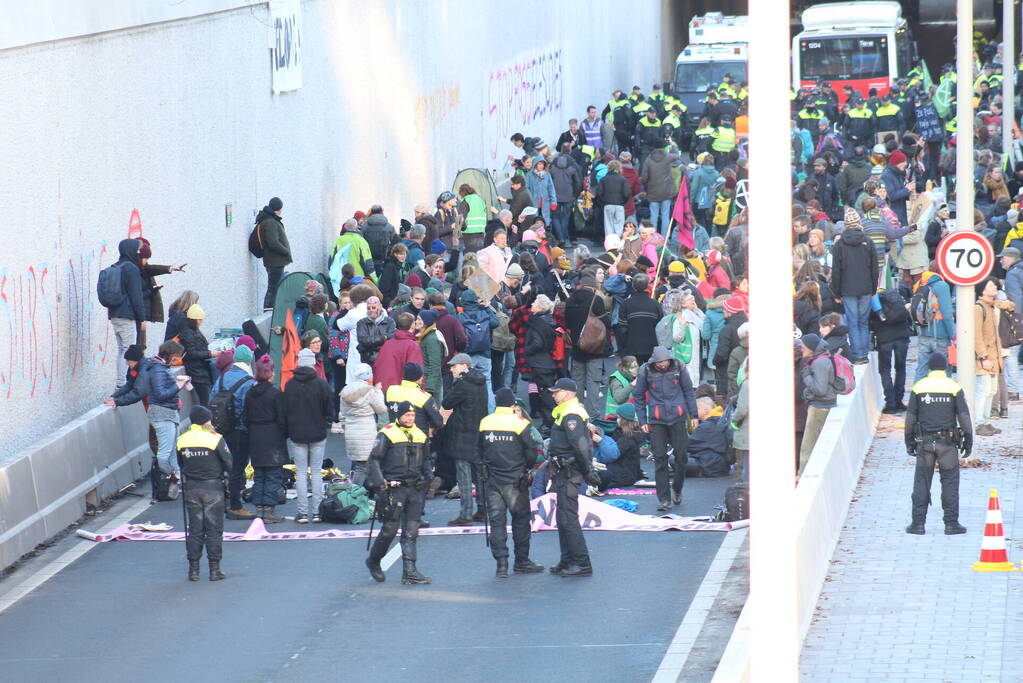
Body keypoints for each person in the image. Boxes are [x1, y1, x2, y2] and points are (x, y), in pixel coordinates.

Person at [365, 402, 433, 585]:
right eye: (407, 415)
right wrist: (380, 484)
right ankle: (373, 560)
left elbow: (426, 459)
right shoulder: (387, 433)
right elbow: (374, 460)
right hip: (393, 489)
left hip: (415, 489)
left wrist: (428, 479)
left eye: (412, 415)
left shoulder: (420, 434)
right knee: (389, 530)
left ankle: (410, 573)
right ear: (399, 416)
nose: (410, 419)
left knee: (411, 532)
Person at [479, 387, 544, 578]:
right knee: (521, 520)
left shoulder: (485, 422)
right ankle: (522, 561)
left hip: (492, 478)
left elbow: (479, 448)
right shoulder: (519, 423)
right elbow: (532, 451)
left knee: (497, 521)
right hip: (515, 479)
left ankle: (501, 564)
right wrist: (526, 467)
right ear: (512, 404)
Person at [904, 354, 971, 535]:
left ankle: (917, 524)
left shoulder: (919, 387)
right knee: (949, 482)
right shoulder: (954, 387)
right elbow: (964, 416)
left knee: (921, 482)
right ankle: (951, 524)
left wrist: (909, 441)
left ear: (930, 368)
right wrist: (969, 440)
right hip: (948, 444)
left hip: (925, 443)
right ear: (945, 368)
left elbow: (910, 418)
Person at [546, 378, 599, 577]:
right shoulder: (565, 412)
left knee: (568, 518)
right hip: (562, 469)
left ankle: (582, 563)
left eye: (556, 391)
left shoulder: (572, 415)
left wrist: (588, 471)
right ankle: (567, 559)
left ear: (568, 393)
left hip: (570, 471)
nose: (553, 395)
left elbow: (580, 445)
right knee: (562, 517)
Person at [633, 346, 698, 510]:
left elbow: (688, 391)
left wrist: (694, 415)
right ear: (654, 361)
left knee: (681, 457)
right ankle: (664, 499)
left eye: (665, 361)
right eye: (659, 362)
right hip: (657, 420)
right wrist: (642, 421)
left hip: (678, 417)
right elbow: (639, 396)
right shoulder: (645, 370)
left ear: (669, 359)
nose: (662, 365)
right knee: (660, 459)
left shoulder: (679, 366)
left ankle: (677, 488)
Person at [176, 405, 232, 582]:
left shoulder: (182, 439)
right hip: (213, 488)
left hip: (191, 488)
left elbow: (181, 464)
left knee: (195, 530)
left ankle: (193, 570)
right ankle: (214, 570)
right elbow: (229, 463)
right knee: (214, 529)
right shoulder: (215, 439)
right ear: (206, 421)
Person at [282, 348, 333, 523]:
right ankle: (317, 512)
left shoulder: (289, 385)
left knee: (301, 473)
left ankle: (303, 513)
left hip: (297, 434)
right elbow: (329, 410)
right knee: (317, 473)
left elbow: (285, 411)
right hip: (318, 433)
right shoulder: (321, 384)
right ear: (312, 363)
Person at [442, 353, 489, 525]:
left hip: (462, 434)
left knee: (463, 475)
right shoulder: (481, 382)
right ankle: (483, 510)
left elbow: (447, 402)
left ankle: (466, 514)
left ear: (463, 366)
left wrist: (455, 384)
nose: (451, 369)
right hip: (478, 433)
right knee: (480, 475)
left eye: (454, 366)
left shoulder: (463, 384)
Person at [210, 345, 256, 520]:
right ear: (249, 360)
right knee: (237, 469)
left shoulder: (222, 378)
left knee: (222, 467)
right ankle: (235, 506)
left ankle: (222, 501)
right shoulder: (248, 381)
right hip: (240, 431)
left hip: (221, 429)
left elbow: (211, 399)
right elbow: (248, 409)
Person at [830, 209, 880, 364]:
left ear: (846, 225)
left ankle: (857, 355)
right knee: (863, 322)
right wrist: (873, 289)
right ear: (859, 223)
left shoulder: (839, 244)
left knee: (852, 322)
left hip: (847, 289)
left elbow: (836, 272)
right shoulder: (868, 242)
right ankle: (864, 354)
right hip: (865, 288)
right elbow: (874, 268)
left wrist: (836, 293)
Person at [245, 355, 287, 523]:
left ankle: (259, 508)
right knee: (273, 474)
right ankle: (269, 510)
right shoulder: (275, 394)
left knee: (260, 474)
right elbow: (282, 419)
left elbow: (245, 417)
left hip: (255, 436)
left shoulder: (250, 393)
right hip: (273, 436)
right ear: (270, 373)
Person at [565, 270, 611, 416]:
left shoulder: (570, 300)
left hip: (576, 345)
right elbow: (605, 323)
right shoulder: (595, 300)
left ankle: (576, 412)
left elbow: (567, 322)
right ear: (593, 286)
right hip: (594, 347)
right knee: (593, 381)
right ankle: (592, 414)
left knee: (577, 380)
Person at [104, 239, 147, 388]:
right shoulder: (131, 269)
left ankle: (121, 382)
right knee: (127, 351)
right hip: (126, 315)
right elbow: (136, 296)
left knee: (122, 350)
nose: (138, 253)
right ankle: (122, 383)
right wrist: (142, 318)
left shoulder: (116, 267)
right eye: (137, 250)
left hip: (115, 314)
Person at [339, 363, 387, 485]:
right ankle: (355, 494)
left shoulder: (345, 391)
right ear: (369, 376)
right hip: (366, 432)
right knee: (364, 467)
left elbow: (342, 415)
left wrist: (346, 428)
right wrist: (379, 392)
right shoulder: (370, 391)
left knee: (359, 466)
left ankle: (363, 492)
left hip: (351, 432)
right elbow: (381, 409)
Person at [797, 333, 837, 475]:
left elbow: (820, 389)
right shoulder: (823, 359)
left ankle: (802, 474)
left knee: (807, 445)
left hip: (820, 406)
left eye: (803, 347)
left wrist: (806, 376)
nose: (801, 350)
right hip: (824, 404)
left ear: (811, 348)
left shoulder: (819, 363)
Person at [974, 277, 1007, 436]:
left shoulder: (993, 307)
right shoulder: (979, 308)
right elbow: (977, 335)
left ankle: (986, 421)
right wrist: (983, 356)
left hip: (995, 355)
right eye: (990, 285)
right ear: (983, 289)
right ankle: (978, 422)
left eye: (995, 285)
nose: (994, 288)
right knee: (983, 390)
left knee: (992, 390)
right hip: (985, 356)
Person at [871, 288, 912, 413]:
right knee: (901, 368)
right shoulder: (897, 299)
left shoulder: (876, 303)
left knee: (885, 370)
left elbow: (870, 323)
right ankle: (899, 401)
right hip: (902, 337)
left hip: (885, 340)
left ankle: (890, 403)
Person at [456, 290, 499, 410]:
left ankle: (472, 412)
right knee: (487, 383)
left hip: (468, 356)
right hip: (485, 354)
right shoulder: (484, 313)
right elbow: (496, 323)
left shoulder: (460, 317)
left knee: (467, 384)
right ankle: (490, 412)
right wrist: (487, 307)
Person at [912, 268, 956, 382]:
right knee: (944, 370)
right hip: (940, 335)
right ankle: (945, 396)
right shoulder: (941, 286)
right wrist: (953, 335)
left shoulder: (920, 284)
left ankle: (916, 396)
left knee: (921, 370)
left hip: (923, 334)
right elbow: (946, 314)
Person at [177, 304, 221, 406]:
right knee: (205, 401)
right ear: (194, 320)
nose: (201, 322)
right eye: (200, 320)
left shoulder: (190, 330)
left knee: (205, 400)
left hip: (200, 370)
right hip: (197, 372)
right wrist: (211, 354)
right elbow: (192, 353)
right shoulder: (188, 333)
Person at [373, 311, 424, 393]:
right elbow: (414, 373)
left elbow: (376, 366)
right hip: (399, 393)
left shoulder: (388, 343)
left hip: (382, 389)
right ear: (412, 325)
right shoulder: (412, 346)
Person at [255, 197, 291, 309]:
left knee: (274, 287)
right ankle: (269, 311)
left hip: (274, 260)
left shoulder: (269, 220)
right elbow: (273, 242)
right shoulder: (270, 222)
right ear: (279, 209)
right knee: (273, 288)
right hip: (275, 261)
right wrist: (286, 251)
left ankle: (270, 311)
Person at [618, 273, 661, 365]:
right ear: (647, 286)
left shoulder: (626, 304)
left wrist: (623, 348)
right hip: (652, 347)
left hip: (632, 347)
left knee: (634, 375)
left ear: (633, 286)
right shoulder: (655, 304)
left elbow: (622, 328)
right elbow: (660, 326)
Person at [641, 145, 680, 232]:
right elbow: (677, 156)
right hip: (666, 192)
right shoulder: (667, 157)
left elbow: (644, 177)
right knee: (665, 216)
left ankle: (653, 236)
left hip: (653, 192)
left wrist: (646, 187)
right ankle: (664, 238)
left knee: (653, 216)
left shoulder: (648, 160)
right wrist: (674, 148)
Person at [355, 296, 396, 367]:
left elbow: (391, 339)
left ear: (380, 307)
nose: (371, 310)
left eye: (373, 307)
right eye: (368, 308)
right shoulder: (361, 323)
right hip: (368, 360)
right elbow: (363, 341)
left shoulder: (390, 322)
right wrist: (383, 338)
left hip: (386, 359)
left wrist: (372, 343)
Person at [417, 309, 446, 402]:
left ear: (426, 322)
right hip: (425, 381)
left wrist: (429, 389)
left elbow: (434, 365)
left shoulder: (431, 339)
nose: (416, 322)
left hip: (431, 385)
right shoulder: (424, 336)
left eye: (419, 320)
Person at [596, 160, 630, 238]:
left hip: (608, 205)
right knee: (619, 225)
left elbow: (599, 193)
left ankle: (610, 243)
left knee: (608, 226)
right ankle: (618, 242)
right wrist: (623, 202)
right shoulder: (623, 179)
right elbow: (626, 193)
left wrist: (603, 202)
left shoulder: (603, 179)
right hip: (619, 205)